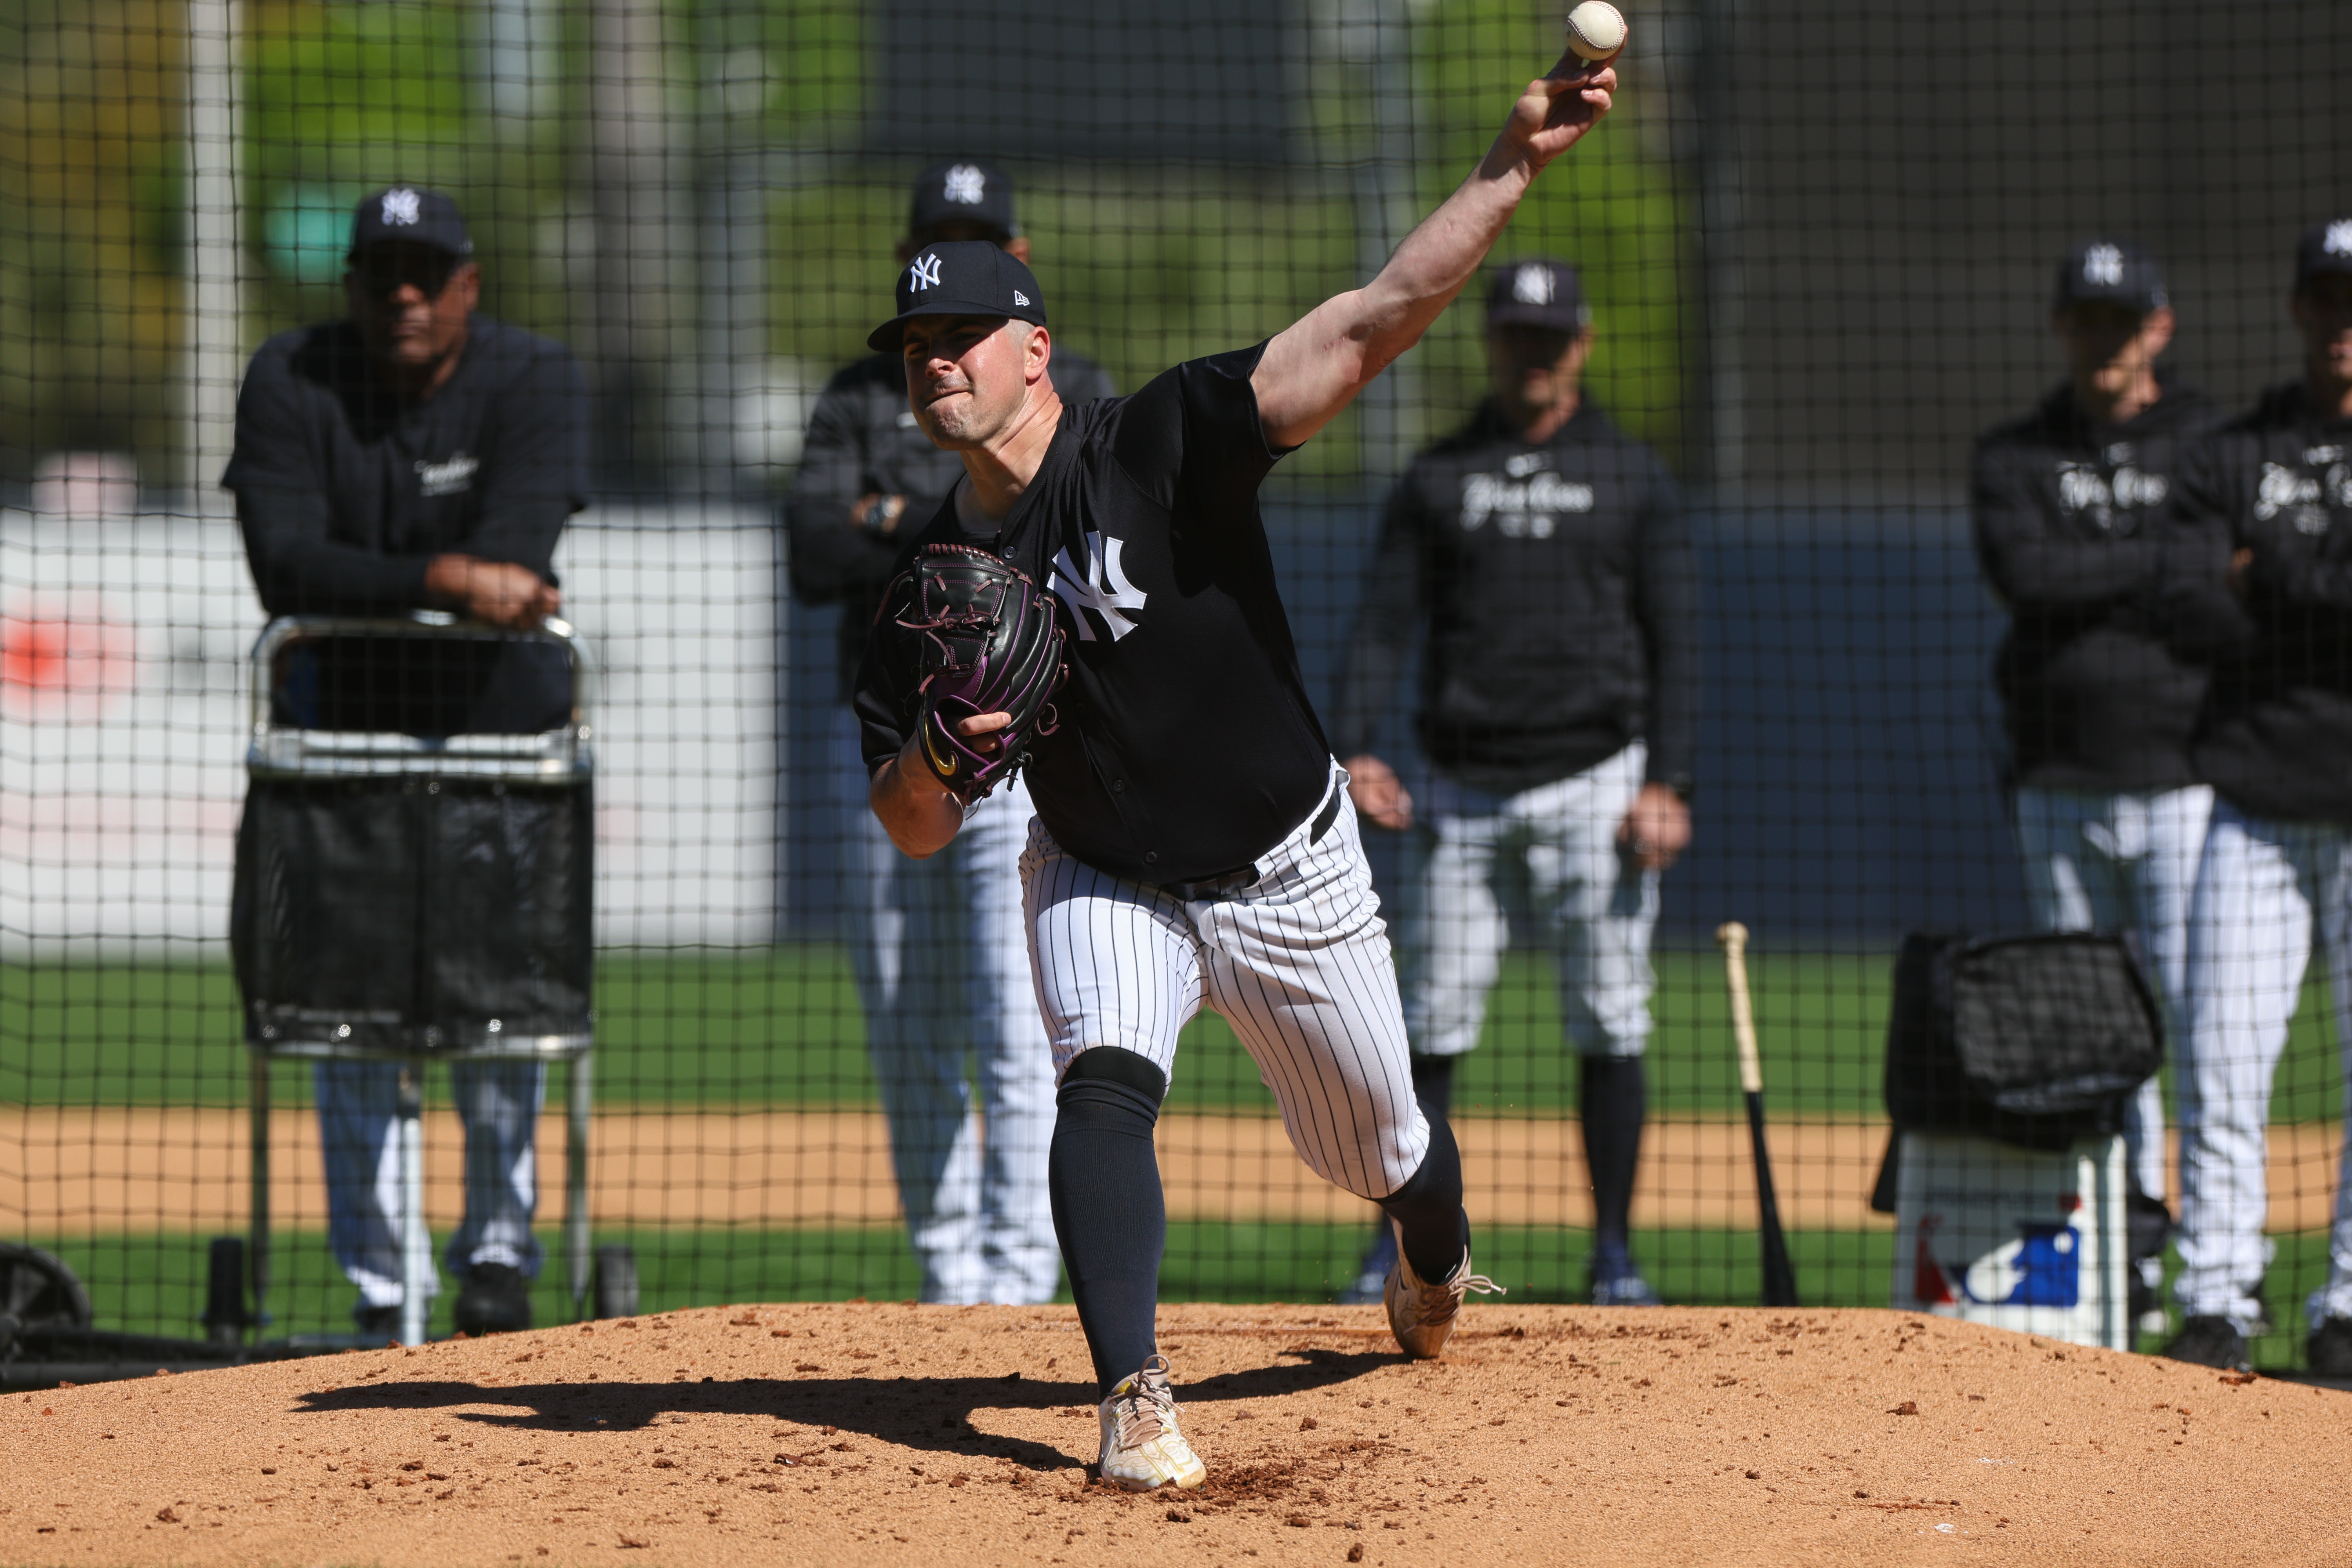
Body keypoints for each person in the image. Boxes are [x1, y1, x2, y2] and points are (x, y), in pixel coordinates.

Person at [856, 52, 1619, 1490]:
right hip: (1099, 867)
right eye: (914, 343)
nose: (936, 357)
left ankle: (1438, 1262)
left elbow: (1378, 318)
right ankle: (1134, 1395)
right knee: (1100, 1089)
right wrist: (943, 755)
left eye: (963, 330)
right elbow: (904, 824)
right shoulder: (932, 584)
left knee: (1386, 1145)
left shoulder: (1156, 443)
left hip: (1288, 863)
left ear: (1034, 345)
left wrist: (1512, 162)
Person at [224, 185, 588, 1337]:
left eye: (427, 274)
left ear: (469, 287)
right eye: (382, 274)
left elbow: (519, 561)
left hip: (500, 745)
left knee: (502, 1009)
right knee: (348, 1018)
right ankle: (383, 1292)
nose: (404, 296)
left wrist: (405, 580)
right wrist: (443, 582)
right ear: (354, 287)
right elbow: (284, 567)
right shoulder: (291, 377)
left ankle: (496, 1262)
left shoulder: (533, 379)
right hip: (344, 744)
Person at [1326, 257, 1696, 1310]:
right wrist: (1355, 747)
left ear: (1578, 344)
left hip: (1598, 781)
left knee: (1610, 1018)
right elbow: (1384, 625)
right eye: (1516, 335)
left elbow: (1680, 640)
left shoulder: (1631, 474)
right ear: (1489, 341)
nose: (1534, 354)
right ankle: (1404, 1249)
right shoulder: (1439, 476)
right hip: (1460, 784)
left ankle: (1615, 1255)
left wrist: (1671, 780)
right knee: (1430, 1025)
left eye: (1552, 336)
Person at [786, 162, 1115, 1305]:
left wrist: (890, 519)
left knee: (1019, 1015)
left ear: (1018, 260)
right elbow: (808, 548)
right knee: (907, 1023)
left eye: (980, 240)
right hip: (886, 745)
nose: (956, 255)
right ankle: (948, 1282)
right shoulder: (857, 393)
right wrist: (938, 535)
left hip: (1017, 755)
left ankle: (1020, 1283)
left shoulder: (1083, 394)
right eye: (937, 237)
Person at [1971, 240, 2222, 1337]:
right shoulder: (2017, 452)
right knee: (2086, 1028)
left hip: (2188, 777)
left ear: (2159, 327)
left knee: (2198, 1024)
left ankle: (2214, 1260)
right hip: (2060, 778)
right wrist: (2158, 565)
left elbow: (2214, 577)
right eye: (2088, 319)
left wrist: (2122, 573)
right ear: (2063, 326)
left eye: (2124, 321)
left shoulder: (2210, 438)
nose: (2106, 338)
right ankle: (2120, 1237)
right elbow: (2031, 580)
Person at [2159, 218, 2352, 1374]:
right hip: (2252, 799)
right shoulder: (2231, 451)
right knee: (2224, 1063)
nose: (2345, 322)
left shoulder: (2239, 487)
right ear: (2296, 310)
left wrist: (2271, 572)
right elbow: (2186, 606)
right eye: (2328, 298)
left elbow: (2244, 592)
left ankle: (2347, 1314)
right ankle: (2217, 1299)